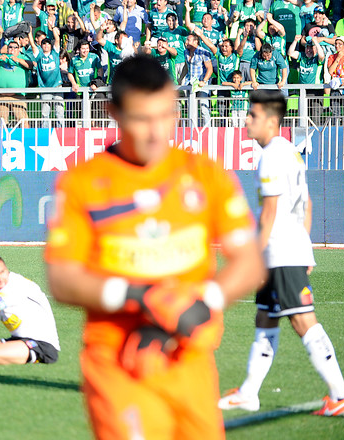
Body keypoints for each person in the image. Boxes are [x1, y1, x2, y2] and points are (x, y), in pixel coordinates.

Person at [44, 55, 265, 440]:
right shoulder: (82, 183)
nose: (155, 131)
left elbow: (249, 263)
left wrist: (204, 301)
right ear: (113, 112)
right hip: (118, 361)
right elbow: (63, 279)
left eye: (166, 115)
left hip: (190, 359)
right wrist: (140, 297)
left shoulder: (205, 173)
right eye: (141, 119)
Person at [218, 90, 344, 417]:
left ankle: (340, 395)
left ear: (271, 120)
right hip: (286, 248)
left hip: (279, 251)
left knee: (302, 320)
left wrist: (254, 255)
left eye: (252, 115)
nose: (246, 120)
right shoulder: (291, 152)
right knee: (265, 316)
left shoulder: (271, 157)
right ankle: (249, 392)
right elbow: (306, 205)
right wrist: (304, 246)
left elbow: (269, 213)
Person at [0, 42, 33, 128]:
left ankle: (26, 140)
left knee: (23, 121)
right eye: (10, 47)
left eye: (15, 47)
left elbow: (30, 65)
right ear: (7, 49)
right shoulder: (2, 56)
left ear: (19, 49)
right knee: (0, 122)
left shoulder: (23, 57)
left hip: (18, 96)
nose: (12, 49)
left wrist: (19, 60)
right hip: (1, 96)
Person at [30, 25, 64, 128]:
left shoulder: (55, 53)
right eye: (44, 44)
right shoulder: (39, 55)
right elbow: (32, 45)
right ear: (41, 45)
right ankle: (45, 133)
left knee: (60, 112)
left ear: (50, 45)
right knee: (45, 113)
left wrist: (53, 29)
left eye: (48, 44)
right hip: (45, 88)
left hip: (57, 87)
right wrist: (30, 32)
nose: (46, 46)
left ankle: (61, 132)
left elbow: (57, 39)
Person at [288, 35, 324, 122]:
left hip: (315, 91)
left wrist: (316, 42)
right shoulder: (302, 56)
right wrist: (295, 41)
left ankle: (316, 135)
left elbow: (321, 55)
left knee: (315, 119)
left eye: (311, 48)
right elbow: (290, 53)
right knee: (303, 119)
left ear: (315, 49)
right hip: (303, 91)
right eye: (307, 48)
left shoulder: (317, 59)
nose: (309, 50)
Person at [180, 32, 212, 126]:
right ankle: (192, 132)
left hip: (201, 84)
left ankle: (208, 131)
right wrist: (181, 78)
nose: (186, 42)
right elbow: (187, 67)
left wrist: (204, 81)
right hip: (190, 83)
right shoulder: (186, 51)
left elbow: (210, 69)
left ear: (195, 41)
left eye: (188, 40)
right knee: (191, 110)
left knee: (204, 109)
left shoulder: (203, 51)